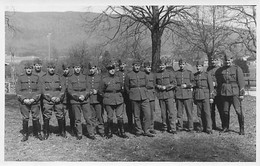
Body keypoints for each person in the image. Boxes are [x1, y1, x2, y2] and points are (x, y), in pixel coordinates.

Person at [216, 53, 245, 135]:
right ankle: (226, 127)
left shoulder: (236, 69)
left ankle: (241, 128)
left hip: (235, 92)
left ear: (232, 60)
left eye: (229, 60)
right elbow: (220, 82)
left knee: (238, 111)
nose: (227, 62)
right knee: (225, 111)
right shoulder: (221, 70)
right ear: (223, 61)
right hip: (225, 93)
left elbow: (241, 82)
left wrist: (241, 94)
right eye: (226, 60)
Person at [99, 62, 129, 139]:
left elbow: (122, 88)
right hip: (108, 100)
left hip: (119, 99)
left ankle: (122, 132)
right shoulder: (104, 79)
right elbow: (100, 91)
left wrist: (120, 95)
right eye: (110, 69)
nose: (112, 70)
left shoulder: (118, 78)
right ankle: (109, 132)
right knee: (110, 117)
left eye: (113, 69)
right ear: (108, 70)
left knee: (120, 116)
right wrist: (106, 96)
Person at [125, 60, 154, 137]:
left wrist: (145, 93)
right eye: (135, 65)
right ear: (133, 66)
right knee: (136, 115)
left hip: (144, 96)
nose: (137, 67)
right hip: (134, 97)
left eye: (138, 66)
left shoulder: (143, 74)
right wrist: (131, 94)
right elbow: (127, 87)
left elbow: (147, 84)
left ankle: (146, 130)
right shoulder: (129, 75)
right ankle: (139, 130)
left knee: (147, 114)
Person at [68, 60, 96, 140]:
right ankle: (79, 134)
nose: (77, 69)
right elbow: (70, 90)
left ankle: (91, 133)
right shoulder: (70, 78)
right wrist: (77, 97)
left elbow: (88, 88)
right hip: (75, 100)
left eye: (79, 67)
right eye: (76, 67)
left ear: (81, 68)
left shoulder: (85, 77)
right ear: (73, 68)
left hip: (85, 100)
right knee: (77, 118)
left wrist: (84, 95)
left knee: (88, 118)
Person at [16, 61, 43, 141]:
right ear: (25, 69)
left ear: (32, 69)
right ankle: (25, 134)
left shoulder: (36, 77)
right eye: (27, 68)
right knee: (25, 118)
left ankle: (38, 133)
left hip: (34, 101)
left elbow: (39, 89)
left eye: (30, 68)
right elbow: (18, 90)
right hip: (24, 102)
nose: (29, 70)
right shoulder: (20, 77)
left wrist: (33, 99)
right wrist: (24, 99)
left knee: (36, 117)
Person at [41, 61, 66, 139]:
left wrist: (59, 97)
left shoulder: (59, 77)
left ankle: (62, 132)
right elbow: (42, 90)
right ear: (47, 68)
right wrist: (50, 98)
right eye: (50, 68)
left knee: (60, 115)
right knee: (46, 116)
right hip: (48, 100)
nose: (52, 69)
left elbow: (63, 88)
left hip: (58, 99)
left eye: (53, 68)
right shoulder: (43, 78)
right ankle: (46, 132)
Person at [154, 59, 177, 134]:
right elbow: (154, 84)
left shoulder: (169, 73)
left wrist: (166, 87)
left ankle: (173, 128)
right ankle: (165, 127)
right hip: (161, 96)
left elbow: (174, 84)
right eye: (160, 65)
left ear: (165, 65)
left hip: (169, 95)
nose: (161, 67)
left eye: (163, 65)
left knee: (171, 112)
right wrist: (158, 86)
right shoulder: (157, 74)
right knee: (163, 113)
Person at [193, 60, 214, 134]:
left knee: (207, 112)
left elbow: (211, 86)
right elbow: (194, 87)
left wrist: (211, 97)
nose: (198, 68)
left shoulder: (207, 74)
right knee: (199, 113)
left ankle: (209, 128)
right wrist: (194, 97)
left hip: (206, 95)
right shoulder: (195, 75)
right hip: (198, 95)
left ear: (203, 66)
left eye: (200, 66)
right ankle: (201, 127)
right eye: (197, 66)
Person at [174, 59, 194, 132]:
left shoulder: (189, 73)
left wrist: (187, 85)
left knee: (189, 112)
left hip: (187, 95)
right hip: (179, 95)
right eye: (180, 64)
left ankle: (190, 127)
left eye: (183, 64)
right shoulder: (176, 73)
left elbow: (194, 83)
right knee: (179, 113)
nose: (181, 66)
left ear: (185, 64)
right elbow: (174, 83)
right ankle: (180, 127)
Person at [87, 62, 105, 137]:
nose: (91, 70)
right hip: (90, 99)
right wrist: (89, 91)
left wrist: (97, 91)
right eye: (90, 68)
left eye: (93, 68)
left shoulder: (100, 77)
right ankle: (93, 130)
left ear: (96, 68)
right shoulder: (87, 77)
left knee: (99, 116)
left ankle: (101, 130)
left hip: (98, 99)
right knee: (92, 116)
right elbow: (85, 87)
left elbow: (103, 87)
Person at [207, 54, 223, 130]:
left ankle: (224, 126)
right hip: (211, 92)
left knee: (221, 110)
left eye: (215, 60)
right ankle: (213, 125)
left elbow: (222, 81)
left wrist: (215, 83)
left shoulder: (220, 69)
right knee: (211, 110)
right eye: (212, 60)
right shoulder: (208, 69)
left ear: (218, 61)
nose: (213, 62)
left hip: (219, 92)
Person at [117, 59, 133, 132]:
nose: (122, 66)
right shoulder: (117, 73)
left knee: (129, 109)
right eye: (121, 65)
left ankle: (130, 124)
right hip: (120, 93)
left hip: (127, 93)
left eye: (123, 64)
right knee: (120, 110)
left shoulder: (128, 73)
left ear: (125, 65)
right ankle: (120, 125)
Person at [60, 62, 74, 135]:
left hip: (71, 99)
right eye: (64, 69)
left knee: (72, 115)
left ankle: (72, 129)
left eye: (67, 69)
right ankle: (63, 130)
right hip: (64, 99)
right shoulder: (61, 77)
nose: (66, 71)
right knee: (62, 115)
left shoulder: (73, 77)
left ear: (69, 69)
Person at [143, 61, 157, 134]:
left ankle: (151, 127)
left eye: (150, 67)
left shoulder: (153, 75)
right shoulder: (142, 75)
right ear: (144, 68)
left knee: (152, 112)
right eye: (147, 67)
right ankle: (146, 128)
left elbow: (154, 84)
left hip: (151, 95)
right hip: (145, 95)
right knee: (146, 114)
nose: (149, 68)